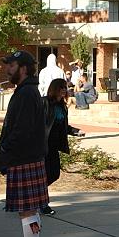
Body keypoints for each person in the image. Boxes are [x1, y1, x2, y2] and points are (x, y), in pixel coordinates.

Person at [0, 51, 48, 237]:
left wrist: (6, 148)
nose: (8, 69)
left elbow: (22, 129)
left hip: (24, 158)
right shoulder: (27, 91)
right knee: (30, 211)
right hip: (28, 158)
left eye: (11, 65)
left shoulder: (26, 93)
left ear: (23, 68)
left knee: (28, 211)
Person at [43, 79, 79, 216]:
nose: (64, 90)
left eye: (65, 88)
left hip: (54, 145)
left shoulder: (62, 106)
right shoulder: (45, 103)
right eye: (61, 88)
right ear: (54, 89)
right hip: (43, 144)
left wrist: (74, 131)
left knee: (54, 174)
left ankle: (36, 196)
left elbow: (62, 125)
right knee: (44, 175)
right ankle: (43, 204)